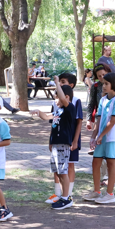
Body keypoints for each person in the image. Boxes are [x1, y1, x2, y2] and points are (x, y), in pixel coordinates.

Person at [84, 73, 115, 204]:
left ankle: (110, 194)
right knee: (96, 162)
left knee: (111, 163)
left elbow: (112, 122)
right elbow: (99, 120)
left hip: (112, 138)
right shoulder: (102, 100)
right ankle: (97, 191)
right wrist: (93, 136)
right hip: (101, 138)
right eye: (103, 83)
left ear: (114, 85)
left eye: (107, 84)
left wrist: (100, 136)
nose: (104, 86)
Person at [47, 82, 78, 210]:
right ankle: (63, 196)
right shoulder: (58, 111)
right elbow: (49, 120)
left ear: (66, 97)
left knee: (63, 172)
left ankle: (66, 198)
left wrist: (56, 80)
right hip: (55, 145)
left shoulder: (69, 108)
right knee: (58, 172)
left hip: (63, 145)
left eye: (57, 97)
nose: (55, 100)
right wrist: (38, 112)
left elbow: (63, 98)